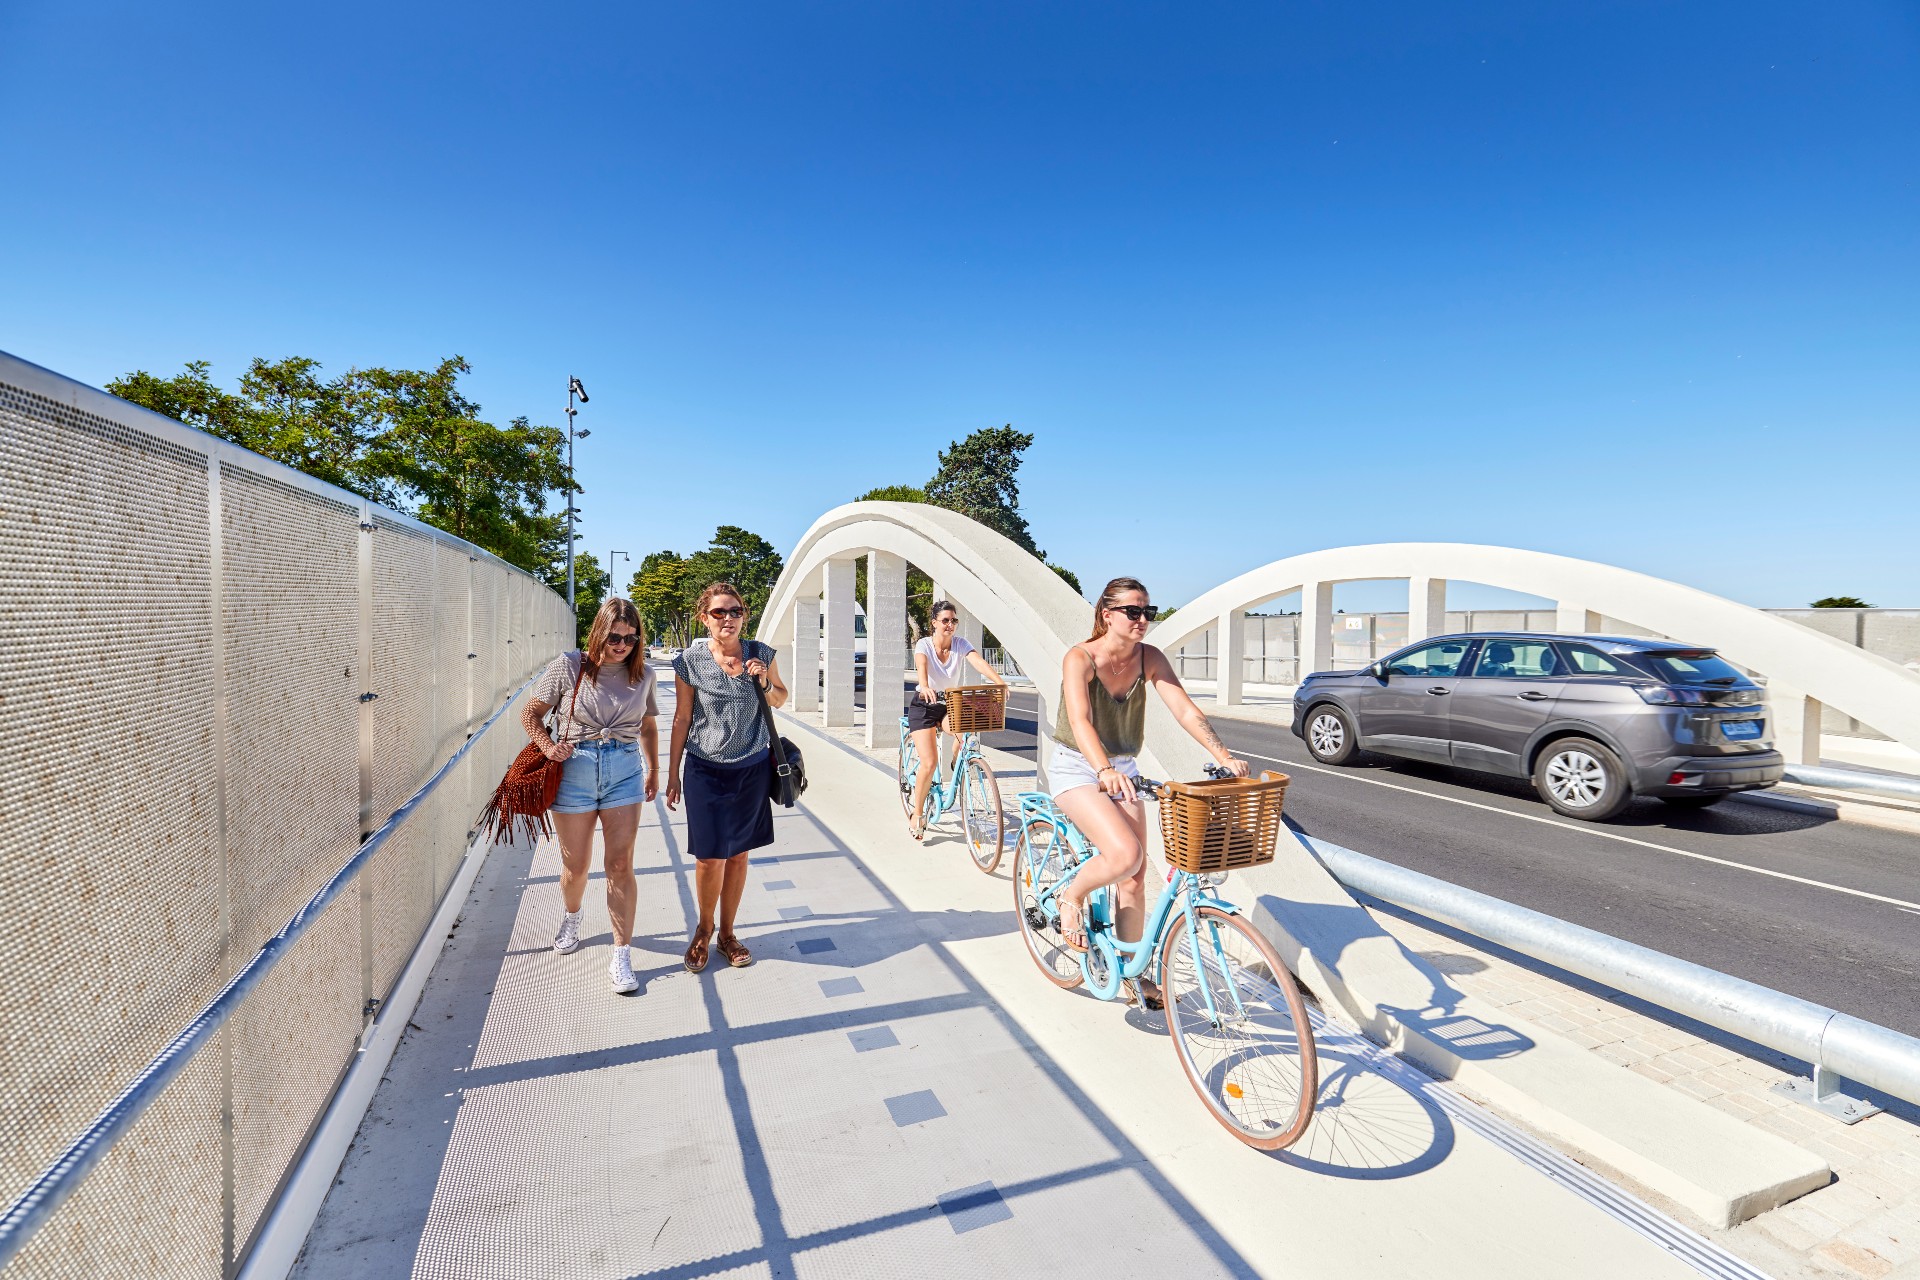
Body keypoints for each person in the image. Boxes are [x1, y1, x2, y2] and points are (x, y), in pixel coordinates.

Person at [1049, 577, 1247, 1008]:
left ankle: (1131, 970)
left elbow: (1184, 709)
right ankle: (1072, 896)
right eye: (1133, 612)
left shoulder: (1149, 658)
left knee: (1135, 879)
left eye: (1148, 612)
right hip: (1078, 765)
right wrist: (1101, 768)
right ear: (1107, 615)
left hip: (1122, 767)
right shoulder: (1080, 658)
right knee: (1124, 856)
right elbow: (1081, 722)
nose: (1143, 620)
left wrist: (1224, 755)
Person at [523, 598, 659, 995]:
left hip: (624, 771)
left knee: (619, 864)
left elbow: (648, 727)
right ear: (599, 630)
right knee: (575, 867)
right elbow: (529, 714)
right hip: (575, 771)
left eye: (631, 638)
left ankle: (621, 954)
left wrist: (653, 770)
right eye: (615, 636)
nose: (622, 644)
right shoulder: (570, 665)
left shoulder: (644, 674)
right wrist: (548, 748)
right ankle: (572, 915)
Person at [666, 582, 788, 973]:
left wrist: (764, 681)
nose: (728, 619)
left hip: (751, 769)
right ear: (704, 618)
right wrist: (671, 773)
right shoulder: (689, 660)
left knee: (737, 855)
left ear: (744, 616)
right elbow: (682, 716)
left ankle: (728, 935)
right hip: (704, 768)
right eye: (719, 612)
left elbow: (781, 698)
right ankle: (703, 928)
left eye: (735, 611)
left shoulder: (760, 654)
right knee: (709, 858)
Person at [905, 600, 1009, 838]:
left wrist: (999, 682)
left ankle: (955, 761)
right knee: (929, 763)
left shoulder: (960, 644)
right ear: (934, 623)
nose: (950, 625)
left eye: (953, 621)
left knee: (967, 731)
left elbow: (978, 662)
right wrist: (923, 686)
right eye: (945, 621)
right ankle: (918, 813)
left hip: (948, 706)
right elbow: (921, 666)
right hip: (924, 706)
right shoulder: (924, 644)